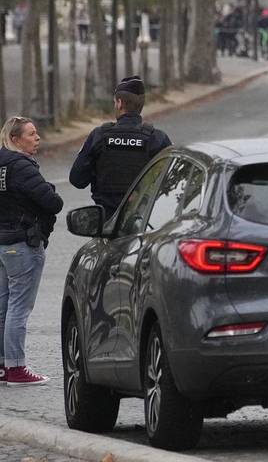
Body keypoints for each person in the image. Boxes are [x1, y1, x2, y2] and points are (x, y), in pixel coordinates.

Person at [0, 116, 63, 385]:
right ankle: (16, 368)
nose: (37, 138)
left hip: (3, 243)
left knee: (3, 306)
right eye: (31, 134)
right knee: (18, 306)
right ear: (15, 139)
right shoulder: (21, 166)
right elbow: (53, 202)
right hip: (22, 243)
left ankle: (3, 365)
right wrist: (50, 190)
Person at [69, 77, 172, 216]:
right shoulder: (157, 139)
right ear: (141, 105)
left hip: (106, 220)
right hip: (143, 220)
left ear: (119, 103)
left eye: (114, 102)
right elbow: (169, 183)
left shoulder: (99, 136)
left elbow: (77, 180)